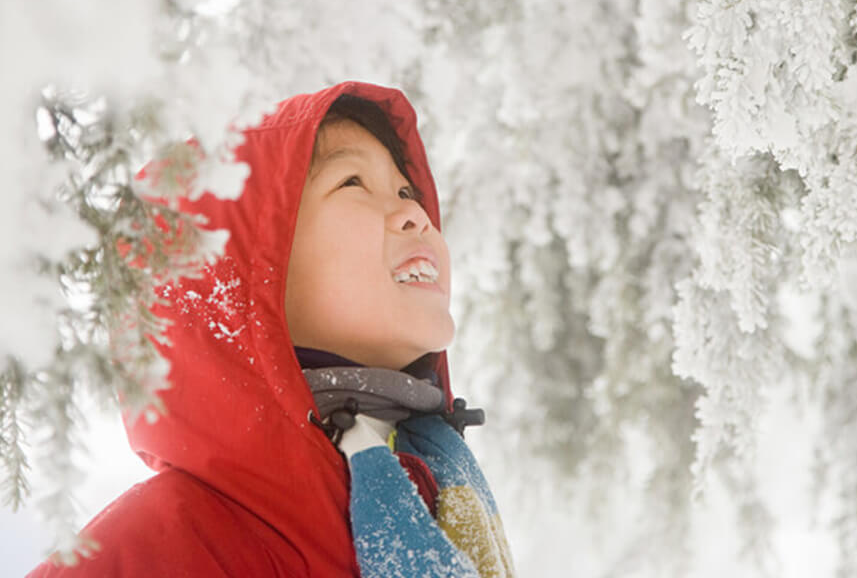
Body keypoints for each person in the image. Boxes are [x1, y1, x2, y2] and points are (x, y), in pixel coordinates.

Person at [28, 81, 514, 577]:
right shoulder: (152, 555)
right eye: (353, 183)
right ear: (243, 268)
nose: (416, 215)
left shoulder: (446, 494)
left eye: (406, 191)